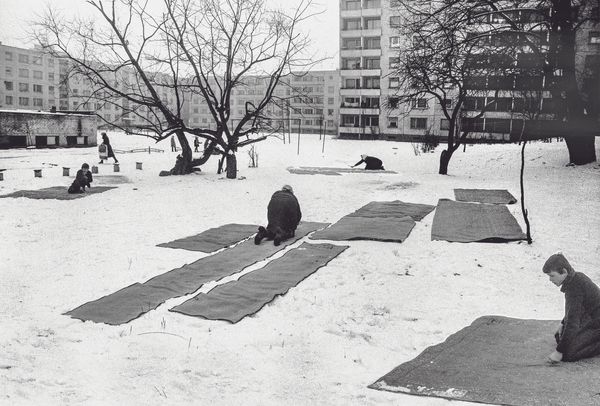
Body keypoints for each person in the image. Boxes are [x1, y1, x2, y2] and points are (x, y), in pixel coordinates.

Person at [543, 253, 600, 363]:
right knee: (559, 336)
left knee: (568, 354)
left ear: (564, 272)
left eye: (552, 275)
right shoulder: (576, 278)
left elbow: (573, 323)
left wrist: (558, 352)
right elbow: (574, 310)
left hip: (596, 323)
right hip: (591, 317)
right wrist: (563, 323)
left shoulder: (574, 288)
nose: (550, 280)